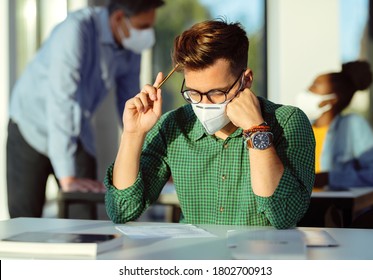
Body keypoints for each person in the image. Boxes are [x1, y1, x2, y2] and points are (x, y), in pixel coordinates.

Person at [104, 19, 315, 229]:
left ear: (246, 80)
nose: (203, 104)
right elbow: (122, 210)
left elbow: (285, 216)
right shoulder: (173, 126)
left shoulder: (288, 122)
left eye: (216, 92)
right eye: (194, 93)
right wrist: (133, 133)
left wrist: (256, 131)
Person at [7, 0, 165, 218]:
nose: (148, 34)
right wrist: (67, 177)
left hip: (77, 128)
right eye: (143, 27)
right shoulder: (76, 30)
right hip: (31, 127)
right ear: (119, 18)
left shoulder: (130, 47)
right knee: (24, 221)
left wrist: (153, 154)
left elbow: (131, 107)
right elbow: (61, 101)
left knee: (84, 223)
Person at [296, 60, 373, 189]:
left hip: (333, 207)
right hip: (300, 206)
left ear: (332, 99)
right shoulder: (300, 128)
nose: (307, 90)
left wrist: (329, 178)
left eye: (315, 85)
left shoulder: (352, 125)